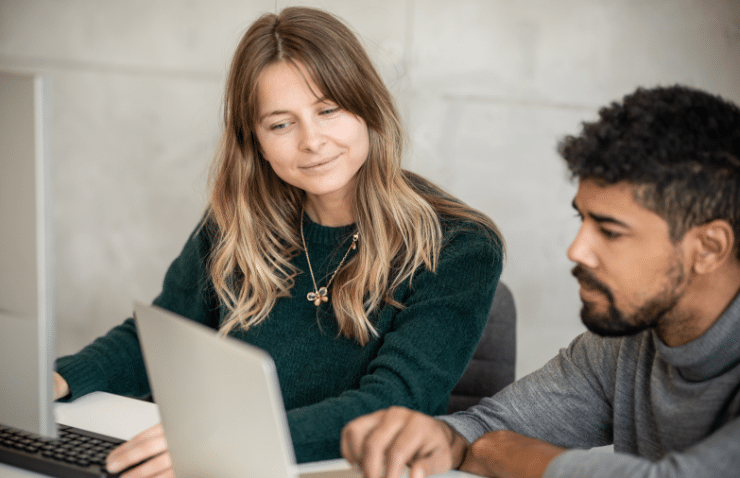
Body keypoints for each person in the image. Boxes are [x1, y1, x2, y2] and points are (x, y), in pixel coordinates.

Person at [52, 6, 504, 477]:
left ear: (368, 108)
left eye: (328, 110)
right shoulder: (238, 221)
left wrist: (226, 443)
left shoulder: (459, 246)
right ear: (257, 142)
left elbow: (392, 403)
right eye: (281, 124)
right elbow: (160, 337)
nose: (312, 141)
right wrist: (55, 379)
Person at [341, 84, 740, 478]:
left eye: (611, 231)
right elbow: (485, 428)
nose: (577, 250)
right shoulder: (622, 348)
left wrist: (500, 450)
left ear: (708, 247)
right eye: (581, 219)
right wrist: (443, 435)